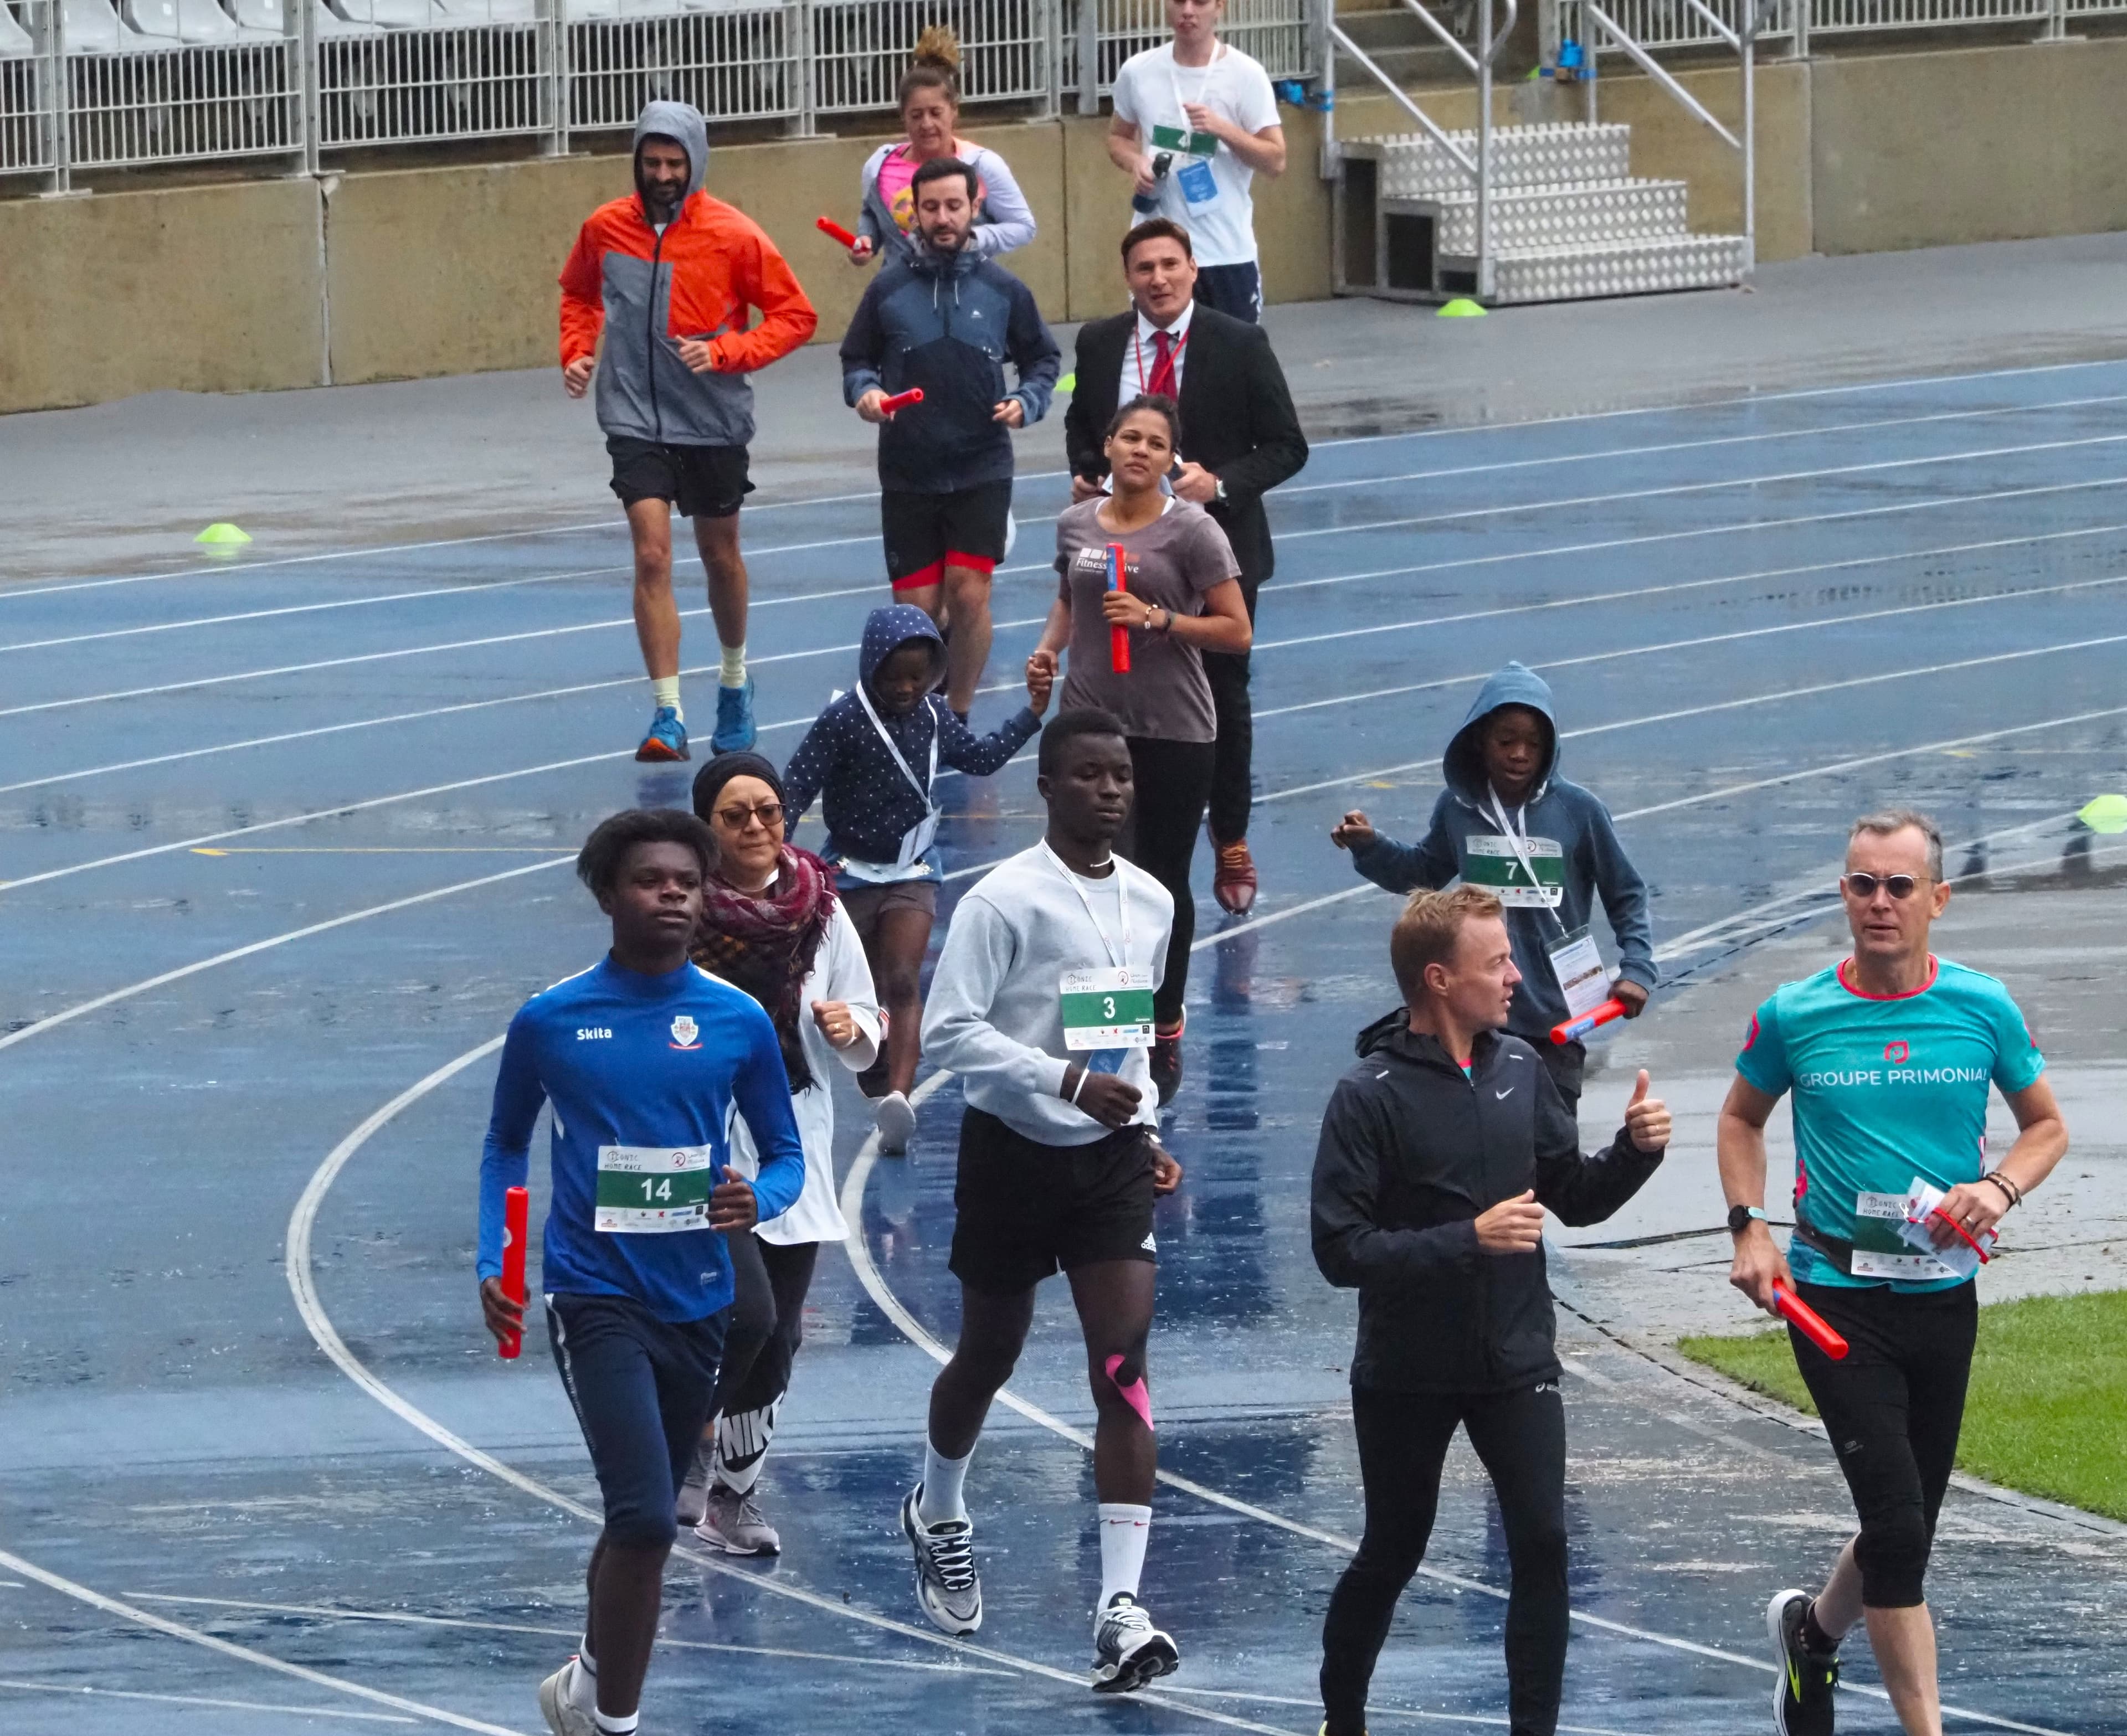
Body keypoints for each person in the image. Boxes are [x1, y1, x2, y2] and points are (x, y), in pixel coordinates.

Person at [1717, 809, 2067, 1736]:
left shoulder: (1981, 1007)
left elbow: (2047, 1128)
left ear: (1937, 900)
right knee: (1902, 1532)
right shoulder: (1795, 1014)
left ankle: (1811, 1638)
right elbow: (1740, 1119)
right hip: (1830, 1300)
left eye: (1899, 886)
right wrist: (1748, 1229)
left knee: (1899, 1525)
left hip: (1942, 1299)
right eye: (1863, 884)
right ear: (1843, 893)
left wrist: (1999, 1188)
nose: (1880, 902)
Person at [476, 808, 807, 1736]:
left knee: (645, 1517)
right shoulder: (550, 1021)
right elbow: (505, 1146)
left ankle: (586, 1680)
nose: (672, 894)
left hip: (698, 1296)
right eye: (651, 880)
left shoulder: (735, 1020)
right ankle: (615, 1723)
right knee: (647, 1520)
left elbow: (785, 1155)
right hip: (595, 1297)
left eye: (687, 883)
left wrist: (761, 1199)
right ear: (608, 896)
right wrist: (497, 1258)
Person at [1312, 884, 1671, 1736]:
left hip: (1517, 1359)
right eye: (1498, 961)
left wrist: (1635, 1152)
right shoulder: (1368, 1093)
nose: (1516, 974)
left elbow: (1573, 1196)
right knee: (1393, 1547)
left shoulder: (1521, 1067)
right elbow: (1340, 1250)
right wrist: (1466, 1238)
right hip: (1407, 1368)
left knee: (1543, 1543)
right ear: (1440, 978)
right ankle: (1343, 1718)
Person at [907, 708, 1186, 1692]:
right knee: (991, 1351)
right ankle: (940, 1505)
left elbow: (1134, 1033)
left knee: (1122, 1362)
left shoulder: (1153, 903)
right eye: (1089, 775)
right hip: (1013, 1151)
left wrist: (1144, 1126)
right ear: (1050, 787)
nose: (1111, 789)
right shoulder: (1003, 901)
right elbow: (946, 1034)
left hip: (1109, 1161)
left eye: (1121, 775)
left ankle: (1120, 1606)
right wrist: (1062, 1083)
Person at [559, 101, 819, 763]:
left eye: (676, 163)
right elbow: (579, 294)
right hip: (632, 415)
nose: (664, 175)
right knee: (651, 554)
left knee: (719, 556)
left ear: (696, 162)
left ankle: (734, 683)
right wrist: (578, 350)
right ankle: (667, 713)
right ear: (637, 162)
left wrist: (729, 352)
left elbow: (795, 316)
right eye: (653, 163)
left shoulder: (733, 235)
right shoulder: (606, 229)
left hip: (710, 418)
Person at [1064, 217, 1308, 915]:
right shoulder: (1102, 342)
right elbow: (1084, 429)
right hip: (1124, 549)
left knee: (1222, 696)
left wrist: (1220, 483)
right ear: (1129, 278)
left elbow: (1288, 445)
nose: (1159, 280)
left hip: (1213, 550)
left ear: (1195, 270)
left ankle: (1229, 834)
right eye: (1145, 268)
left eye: (1171, 265)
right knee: (1120, 690)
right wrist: (1087, 474)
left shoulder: (1239, 343)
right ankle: (1124, 830)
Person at [671, 754, 881, 1556]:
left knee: (781, 1332)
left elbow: (869, 1024)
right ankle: (690, 1436)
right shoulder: (678, 906)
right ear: (706, 827)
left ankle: (737, 1493)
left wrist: (852, 1030)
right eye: (736, 815)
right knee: (739, 1312)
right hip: (703, 1142)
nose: (757, 826)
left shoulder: (821, 909)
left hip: (795, 1137)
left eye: (768, 810)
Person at [1034, 394, 1251, 1105]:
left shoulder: (1194, 531)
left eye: (1156, 444)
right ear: (1107, 444)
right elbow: (1070, 597)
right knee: (1091, 881)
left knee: (1158, 883)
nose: (1140, 452)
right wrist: (1045, 652)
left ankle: (1163, 1020)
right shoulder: (1074, 524)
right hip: (1093, 723)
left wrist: (1160, 619)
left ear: (1170, 459)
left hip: (1173, 730)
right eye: (1130, 437)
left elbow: (1235, 629)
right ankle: (1106, 1024)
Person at [780, 604, 1054, 1153]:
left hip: (914, 871)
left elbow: (979, 759)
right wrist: (773, 858)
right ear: (870, 667)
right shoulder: (843, 720)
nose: (906, 688)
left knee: (903, 980)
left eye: (918, 676)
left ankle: (898, 1102)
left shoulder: (933, 718)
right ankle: (870, 1072)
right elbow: (796, 787)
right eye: (894, 676)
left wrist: (1031, 714)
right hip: (849, 872)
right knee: (850, 985)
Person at [1329, 663, 1654, 1111]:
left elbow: (1627, 894)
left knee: (1550, 1147)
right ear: (1480, 740)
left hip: (1555, 1018)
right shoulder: (1459, 808)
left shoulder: (1580, 811)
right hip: (1477, 1014)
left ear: (1551, 748)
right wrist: (1371, 847)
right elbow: (1421, 872)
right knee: (1484, 1140)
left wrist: (1637, 967)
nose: (1520, 753)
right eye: (1506, 741)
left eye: (1534, 744)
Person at [841, 156, 1061, 719]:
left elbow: (1043, 360)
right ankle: (916, 714)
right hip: (908, 470)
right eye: (931, 207)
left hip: (981, 466)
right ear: (914, 212)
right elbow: (856, 358)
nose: (943, 218)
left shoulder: (1005, 289)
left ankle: (955, 716)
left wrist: (1027, 401)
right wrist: (865, 392)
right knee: (915, 615)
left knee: (968, 595)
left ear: (975, 205)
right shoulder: (887, 289)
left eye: (954, 206)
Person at [1107, 0, 1286, 322]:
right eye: (1179, 2)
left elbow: (1275, 160)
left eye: (1200, 2)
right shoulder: (1138, 70)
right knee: (1161, 364)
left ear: (1220, 7)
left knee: (1231, 366)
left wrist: (1224, 130)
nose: (1188, 11)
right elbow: (1117, 138)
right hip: (1159, 252)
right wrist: (1136, 162)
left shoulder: (1245, 74)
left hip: (1225, 252)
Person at [841, 27, 1037, 268]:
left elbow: (1023, 227)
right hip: (901, 294)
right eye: (916, 115)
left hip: (965, 291)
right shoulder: (879, 165)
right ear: (903, 116)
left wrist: (972, 239)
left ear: (954, 111)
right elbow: (872, 213)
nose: (927, 124)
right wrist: (866, 239)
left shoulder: (981, 165)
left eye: (936, 113)